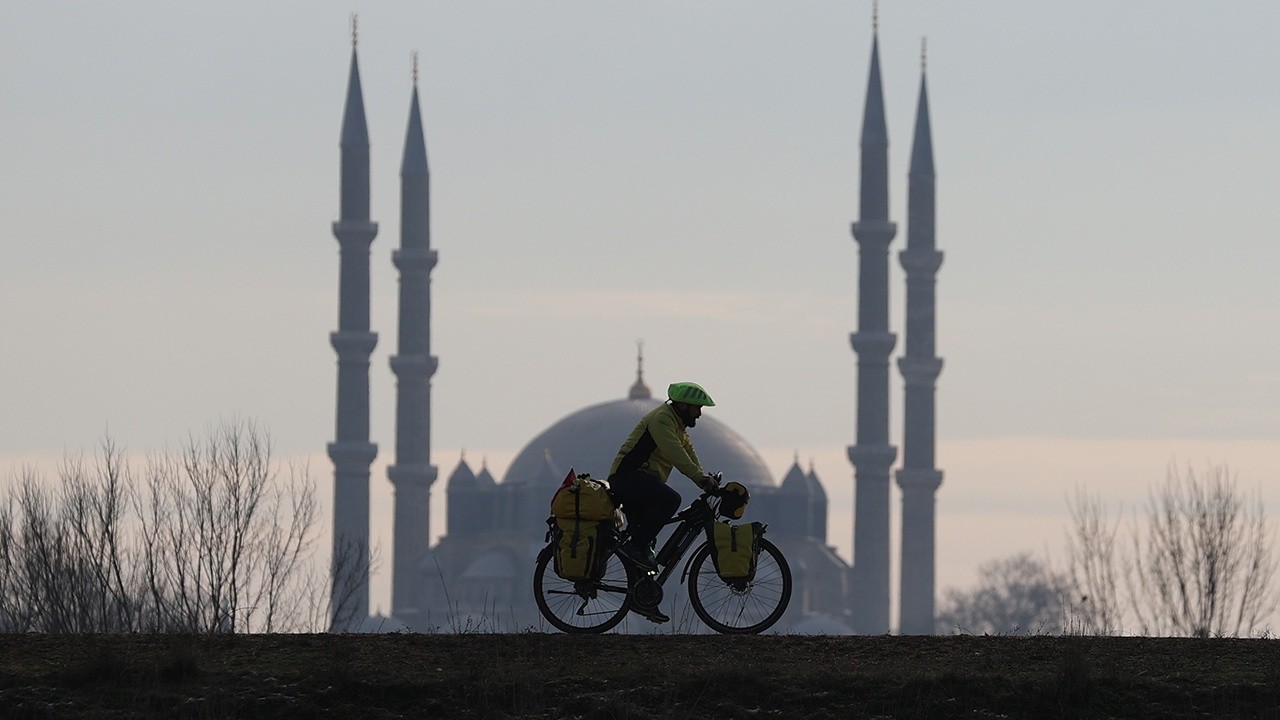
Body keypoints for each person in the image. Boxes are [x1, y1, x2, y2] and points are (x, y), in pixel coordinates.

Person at [608, 381, 720, 581]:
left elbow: (689, 453)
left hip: (639, 481)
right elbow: (674, 452)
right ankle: (634, 547)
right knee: (670, 500)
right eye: (697, 408)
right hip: (628, 477)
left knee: (645, 550)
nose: (700, 414)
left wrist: (703, 477)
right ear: (683, 406)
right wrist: (698, 478)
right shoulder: (662, 420)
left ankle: (644, 598)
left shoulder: (677, 426)